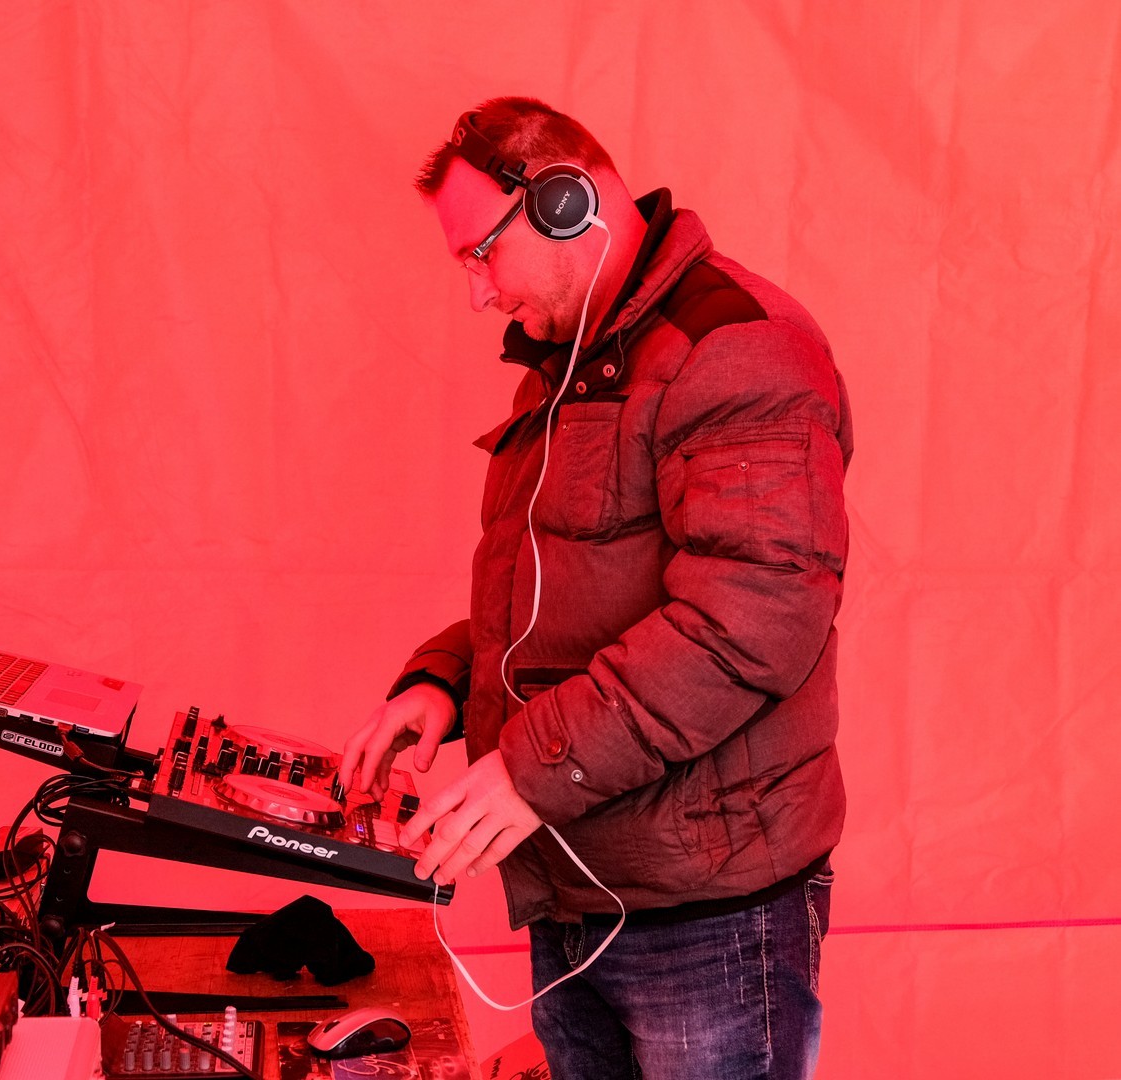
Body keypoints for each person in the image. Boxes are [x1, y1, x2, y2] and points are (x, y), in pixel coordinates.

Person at [338, 96, 852, 1080]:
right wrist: (441, 681)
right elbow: (561, 593)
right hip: (581, 888)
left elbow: (752, 621)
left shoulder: (738, 350)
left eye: (480, 255)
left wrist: (532, 768)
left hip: (705, 919)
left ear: (564, 203)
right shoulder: (574, 362)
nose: (478, 294)